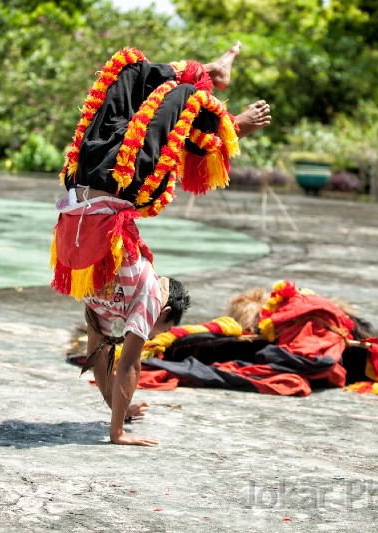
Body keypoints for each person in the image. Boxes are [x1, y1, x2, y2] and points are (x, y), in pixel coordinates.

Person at [51, 42, 271, 446]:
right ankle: (213, 78)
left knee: (171, 93)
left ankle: (228, 114)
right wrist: (119, 415)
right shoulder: (124, 304)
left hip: (95, 184)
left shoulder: (125, 305)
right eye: (157, 328)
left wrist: (117, 420)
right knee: (130, 74)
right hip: (101, 188)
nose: (150, 333)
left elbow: (111, 364)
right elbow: (113, 364)